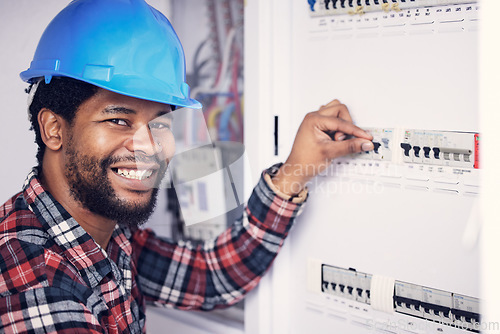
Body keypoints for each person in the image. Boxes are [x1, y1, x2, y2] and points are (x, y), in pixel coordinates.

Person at [0, 0, 374, 333]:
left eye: (161, 123)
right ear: (53, 129)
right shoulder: (36, 282)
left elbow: (212, 275)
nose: (149, 147)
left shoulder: (107, 235)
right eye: (118, 120)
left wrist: (295, 170)